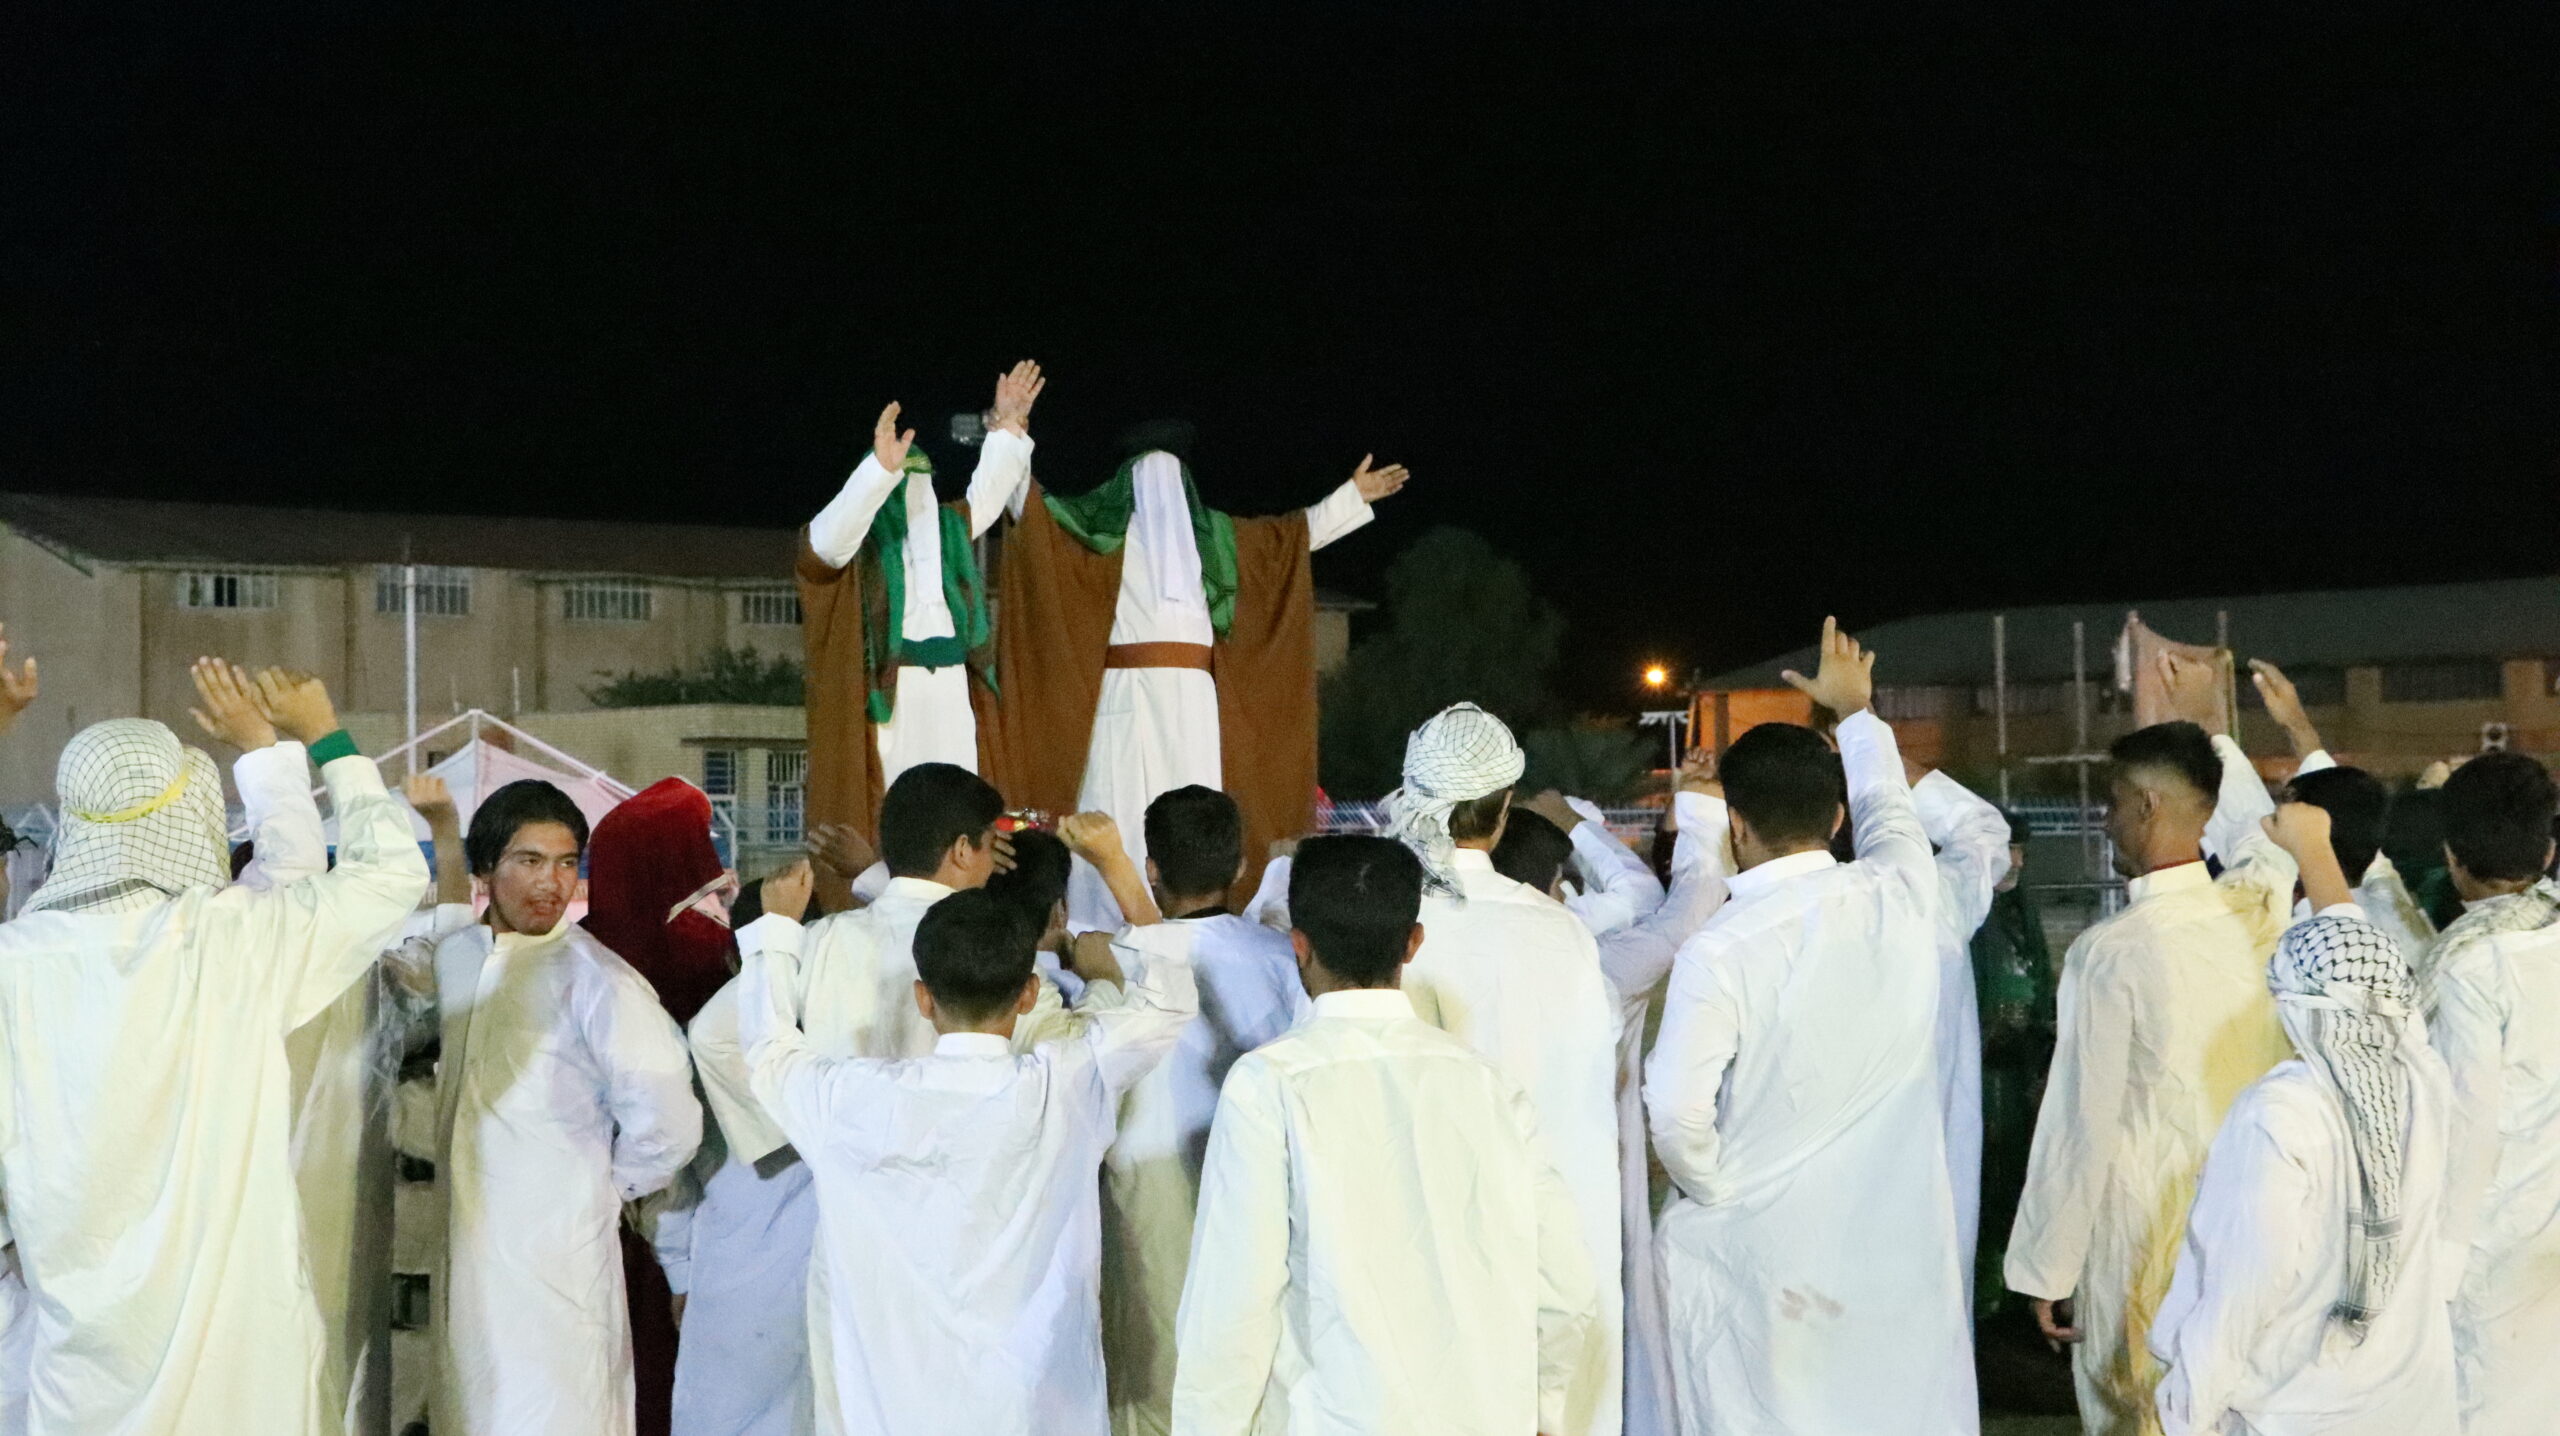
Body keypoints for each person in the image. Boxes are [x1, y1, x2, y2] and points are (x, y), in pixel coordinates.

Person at [0, 663, 427, 1435]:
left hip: (79, 1388)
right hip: (244, 1384)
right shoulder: (232, 945)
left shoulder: (15, 970)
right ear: (189, 813)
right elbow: (382, 873)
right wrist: (309, 739)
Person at [682, 762, 1090, 1432]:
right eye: (991, 845)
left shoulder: (823, 942)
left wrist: (801, 1135)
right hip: (984, 1228)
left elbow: (714, 1037)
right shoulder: (997, 955)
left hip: (857, 1228)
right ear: (962, 850)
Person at [1643, 618, 1974, 1434]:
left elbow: (1676, 1114)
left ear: (1736, 827)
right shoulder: (1904, 891)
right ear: (1834, 820)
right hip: (1895, 1252)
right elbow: (1889, 809)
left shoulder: (1719, 950)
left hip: (1763, 1263)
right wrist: (1856, 712)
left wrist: (1717, 1185)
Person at [737, 870, 1197, 1436]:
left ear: (922, 999)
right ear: (1029, 995)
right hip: (1040, 1414)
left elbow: (769, 1050)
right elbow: (1168, 1005)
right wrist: (1118, 867)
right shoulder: (1067, 1087)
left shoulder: (851, 1102)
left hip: (894, 1416)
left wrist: (777, 928)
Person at [1173, 835, 1600, 1435]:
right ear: (1414, 942)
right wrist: (1542, 1409)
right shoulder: (1489, 1085)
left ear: (1300, 945)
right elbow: (1566, 1285)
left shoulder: (1269, 1084)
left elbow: (1233, 1304)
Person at [2007, 652, 2300, 1436]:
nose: (2106, 822)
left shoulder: (2112, 951)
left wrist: (2048, 1265)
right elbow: (2262, 836)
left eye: (2111, 804)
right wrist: (2212, 726)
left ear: (2144, 806)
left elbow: (2081, 1122)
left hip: (2147, 1234)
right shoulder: (2259, 907)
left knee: (2143, 1410)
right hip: (2256, 1222)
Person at [985, 416, 1409, 928]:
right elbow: (1030, 509)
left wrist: (1351, 497)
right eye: (1148, 477)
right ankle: (1103, 928)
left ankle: (1195, 922)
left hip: (1195, 704)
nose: (1161, 494)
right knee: (1117, 804)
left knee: (1194, 812)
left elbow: (1290, 539)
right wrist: (1008, 437)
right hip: (1125, 697)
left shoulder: (1214, 540)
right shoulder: (1096, 533)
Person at [2148, 805, 2460, 1436]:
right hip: (2412, 1407)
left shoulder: (2279, 1114)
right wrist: (2313, 849)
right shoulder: (2423, 1082)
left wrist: (2189, 1410)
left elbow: (2245, 1289)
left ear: (2293, 1006)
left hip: (2291, 1412)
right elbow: (2364, 979)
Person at [429, 779, 703, 1436]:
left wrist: (599, 1187)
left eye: (565, 863)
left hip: (558, 1266)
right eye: (529, 861)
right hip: (465, 1258)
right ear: (486, 869)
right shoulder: (457, 958)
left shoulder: (598, 980)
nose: (550, 883)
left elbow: (671, 1120)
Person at [1380, 703, 1624, 1435]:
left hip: (1439, 1249)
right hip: (1565, 1248)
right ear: (1504, 809)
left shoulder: (1395, 930)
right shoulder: (1563, 932)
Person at [1502, 780, 1730, 1436]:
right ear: (1555, 886)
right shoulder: (1593, 960)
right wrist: (1578, 826)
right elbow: (1668, 907)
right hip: (1587, 1204)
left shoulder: (1440, 954)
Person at [1094, 785, 1305, 1436]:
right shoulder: (1284, 959)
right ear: (1239, 867)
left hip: (1147, 1188)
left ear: (1152, 869)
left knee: (1159, 1371)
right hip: (1258, 1184)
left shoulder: (1114, 961)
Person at [796, 363, 1044, 895]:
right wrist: (878, 473)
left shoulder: (952, 530)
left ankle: (965, 900)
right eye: (904, 483)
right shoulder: (856, 549)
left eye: (922, 483)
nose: (917, 495)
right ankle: (884, 894)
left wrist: (1008, 427)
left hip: (955, 692)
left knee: (965, 806)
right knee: (898, 812)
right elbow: (824, 545)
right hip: (892, 701)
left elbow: (987, 495)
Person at [582, 777, 746, 1436]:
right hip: (655, 1239)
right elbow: (670, 1134)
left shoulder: (599, 955)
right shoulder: (639, 974)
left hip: (658, 1230)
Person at [2421, 749, 2560, 1435]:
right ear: (2549, 850)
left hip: (2497, 1242)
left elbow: (2466, 1127)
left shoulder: (2469, 964)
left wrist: (2441, 1265)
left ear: (2452, 858)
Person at [1907, 757, 2017, 1314]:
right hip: (1920, 1236)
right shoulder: (1932, 903)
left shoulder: (1738, 938)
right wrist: (1869, 743)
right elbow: (1982, 830)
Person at [2249, 660, 2437, 958]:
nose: (2268, 827)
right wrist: (2297, 725)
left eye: (2280, 819)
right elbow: (2349, 814)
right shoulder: (2391, 903)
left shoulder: (2293, 940)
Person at [1974, 805, 2055, 1314]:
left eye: (2022, 851)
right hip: (1978, 1076)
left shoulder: (2021, 914)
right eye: (2009, 850)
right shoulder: (1964, 916)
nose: (2017, 862)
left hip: (2020, 1071)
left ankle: (2015, 1287)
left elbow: (2040, 986)